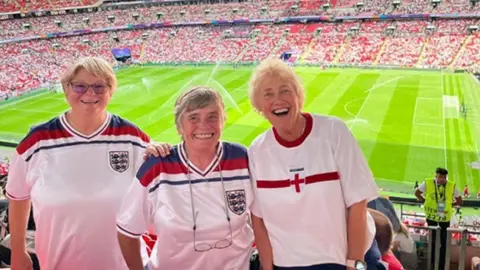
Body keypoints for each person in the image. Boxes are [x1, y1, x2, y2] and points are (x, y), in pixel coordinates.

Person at [6, 57, 151, 270]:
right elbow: (18, 198)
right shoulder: (36, 142)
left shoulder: (133, 138)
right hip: (59, 264)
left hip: (126, 265)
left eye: (99, 86)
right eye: (80, 86)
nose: (90, 93)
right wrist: (18, 252)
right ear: (66, 89)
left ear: (111, 91)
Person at [247, 59, 379, 270]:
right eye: (268, 94)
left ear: (298, 96)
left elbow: (358, 203)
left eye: (285, 91)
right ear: (259, 106)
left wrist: (353, 263)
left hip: (339, 259)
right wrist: (268, 267)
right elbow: (258, 218)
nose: (278, 100)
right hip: (286, 263)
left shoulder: (334, 132)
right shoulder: (257, 150)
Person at [116, 86, 254, 270]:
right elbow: (127, 230)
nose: (204, 125)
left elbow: (262, 217)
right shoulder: (158, 166)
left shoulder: (242, 158)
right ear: (179, 126)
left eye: (212, 116)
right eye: (193, 118)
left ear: (223, 119)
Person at [414, 167, 462, 270]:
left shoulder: (451, 186)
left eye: (444, 177)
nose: (442, 179)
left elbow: (459, 201)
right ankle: (433, 262)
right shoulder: (428, 183)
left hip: (444, 216)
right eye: (440, 176)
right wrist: (425, 201)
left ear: (446, 177)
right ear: (436, 176)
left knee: (443, 241)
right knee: (434, 240)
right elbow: (417, 193)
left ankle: (441, 263)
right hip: (432, 216)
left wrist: (449, 205)